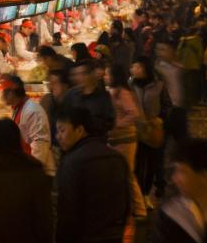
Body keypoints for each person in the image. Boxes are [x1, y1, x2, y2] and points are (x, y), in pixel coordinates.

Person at [55, 106, 130, 243]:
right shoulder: (117, 157)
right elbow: (126, 201)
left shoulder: (71, 162)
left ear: (79, 130)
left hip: (86, 236)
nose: (57, 136)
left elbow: (67, 211)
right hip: (114, 235)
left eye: (62, 130)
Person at [105, 64, 147, 217]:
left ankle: (140, 209)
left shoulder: (123, 93)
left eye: (108, 74)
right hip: (116, 138)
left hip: (126, 139)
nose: (105, 76)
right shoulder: (112, 91)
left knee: (128, 173)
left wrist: (117, 124)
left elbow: (133, 113)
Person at [130, 56, 171, 209]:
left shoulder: (159, 85)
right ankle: (138, 196)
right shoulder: (130, 84)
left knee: (152, 163)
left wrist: (160, 118)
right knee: (138, 163)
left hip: (154, 130)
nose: (134, 69)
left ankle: (146, 194)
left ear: (146, 68)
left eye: (137, 67)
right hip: (136, 130)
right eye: (133, 67)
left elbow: (167, 105)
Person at [152, 138, 207, 243]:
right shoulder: (171, 214)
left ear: (204, 177)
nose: (175, 178)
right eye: (175, 170)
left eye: (183, 171)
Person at [1, 75, 55, 175]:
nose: (2, 96)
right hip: (25, 165)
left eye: (4, 92)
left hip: (37, 172)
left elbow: (40, 149)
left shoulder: (33, 112)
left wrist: (30, 175)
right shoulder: (18, 108)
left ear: (12, 92)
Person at [63, 59, 115, 139]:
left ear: (92, 74)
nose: (79, 78)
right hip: (74, 142)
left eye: (83, 74)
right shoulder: (71, 95)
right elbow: (63, 117)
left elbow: (109, 123)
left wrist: (88, 121)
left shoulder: (103, 97)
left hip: (96, 142)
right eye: (76, 74)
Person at [40, 69, 71, 165]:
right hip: (51, 149)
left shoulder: (73, 103)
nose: (50, 87)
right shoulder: (47, 100)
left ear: (65, 86)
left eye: (54, 83)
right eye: (49, 83)